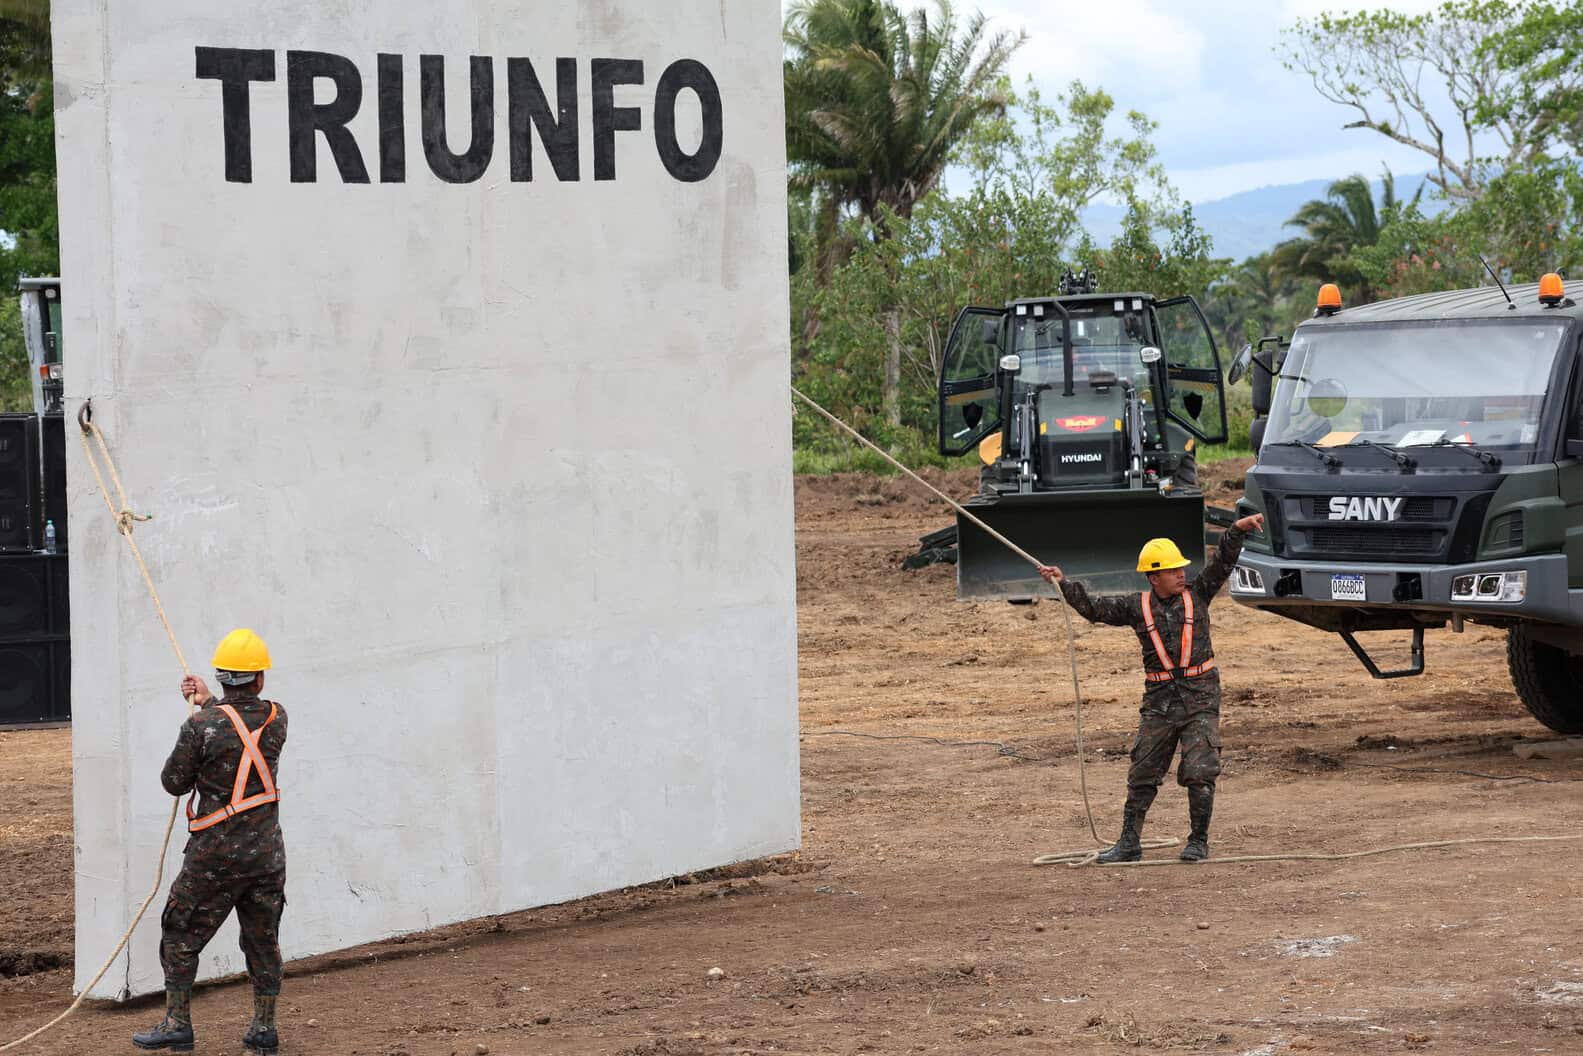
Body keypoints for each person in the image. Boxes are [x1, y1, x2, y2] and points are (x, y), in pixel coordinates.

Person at [1038, 514, 1265, 863]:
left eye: (1181, 569)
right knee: (1142, 772)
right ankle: (1129, 844)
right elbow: (1094, 609)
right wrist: (1063, 583)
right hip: (1159, 702)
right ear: (1153, 577)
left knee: (1201, 769)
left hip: (1201, 696)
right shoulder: (1135, 606)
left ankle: (1198, 842)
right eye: (1172, 570)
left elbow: (1223, 563)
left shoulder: (1198, 594)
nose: (1181, 574)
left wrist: (1236, 531)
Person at [133, 629, 288, 1055]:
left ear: (222, 678)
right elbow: (241, 721)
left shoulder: (200, 726)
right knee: (262, 940)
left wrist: (203, 708)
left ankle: (177, 1023)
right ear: (258, 679)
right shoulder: (278, 717)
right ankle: (264, 1031)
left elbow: (173, 783)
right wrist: (209, 702)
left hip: (214, 858)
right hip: (267, 856)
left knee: (180, 932)